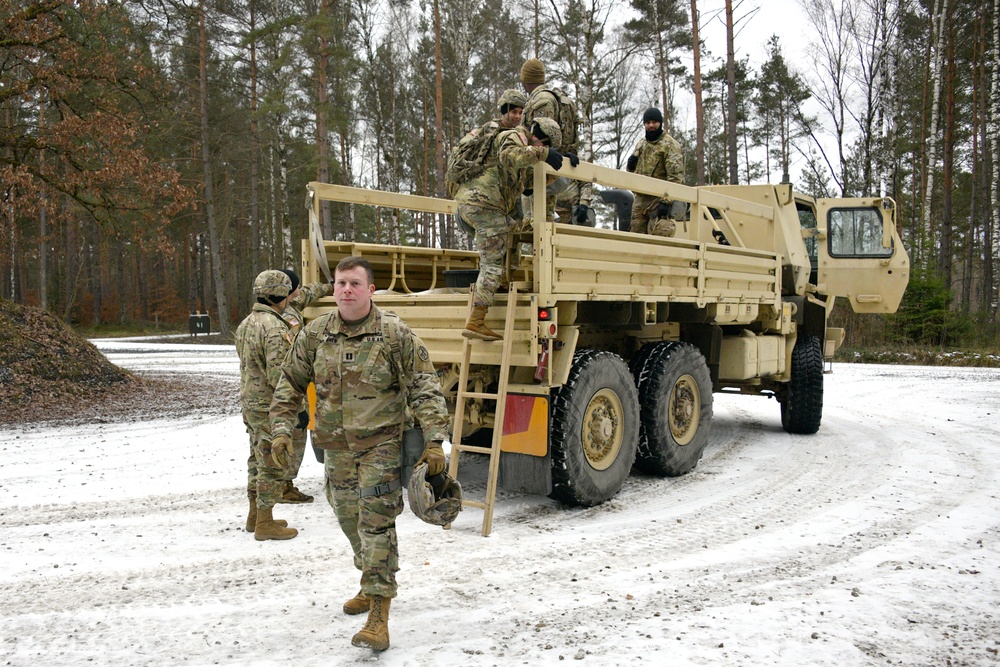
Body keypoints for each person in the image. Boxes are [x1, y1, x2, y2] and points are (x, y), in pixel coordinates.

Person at [268, 256, 451, 652]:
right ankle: (370, 581)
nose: (345, 290)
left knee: (376, 524)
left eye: (354, 283)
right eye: (339, 283)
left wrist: (435, 439)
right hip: (334, 448)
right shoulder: (316, 334)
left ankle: (378, 616)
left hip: (380, 447)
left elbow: (424, 386)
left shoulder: (394, 335)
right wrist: (281, 431)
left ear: (371, 290)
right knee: (349, 518)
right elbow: (289, 384)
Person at [455, 117, 565, 341]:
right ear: (538, 137)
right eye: (544, 145)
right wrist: (543, 155)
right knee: (492, 264)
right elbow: (509, 156)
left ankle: (504, 283)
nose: (543, 150)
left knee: (513, 230)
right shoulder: (513, 137)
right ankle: (476, 320)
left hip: (482, 205)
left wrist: (560, 163)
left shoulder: (521, 147)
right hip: (485, 205)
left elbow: (527, 186)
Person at [234, 270, 298, 541]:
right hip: (269, 407)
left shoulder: (246, 323)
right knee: (272, 462)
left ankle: (254, 515)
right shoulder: (275, 327)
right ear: (281, 295)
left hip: (250, 403)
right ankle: (265, 522)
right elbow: (279, 375)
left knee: (255, 458)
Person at [275, 268, 333, 504]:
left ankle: (279, 483)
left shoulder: (281, 306)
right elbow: (288, 362)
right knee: (293, 434)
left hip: (279, 386)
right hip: (285, 387)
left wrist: (330, 286)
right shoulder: (286, 320)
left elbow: (309, 292)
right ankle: (282, 485)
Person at [520, 58, 593, 226]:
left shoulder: (541, 101)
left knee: (534, 226)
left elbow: (542, 136)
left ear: (525, 79)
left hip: (540, 170)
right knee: (544, 226)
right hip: (551, 170)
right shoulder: (555, 98)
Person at [625, 107, 684, 237]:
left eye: (654, 122)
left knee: (661, 231)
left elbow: (676, 177)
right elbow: (631, 172)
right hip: (640, 198)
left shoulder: (670, 145)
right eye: (648, 123)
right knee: (635, 238)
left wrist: (666, 201)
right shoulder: (641, 144)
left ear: (660, 123)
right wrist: (630, 165)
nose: (651, 125)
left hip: (658, 198)